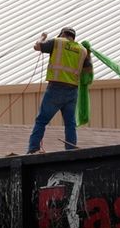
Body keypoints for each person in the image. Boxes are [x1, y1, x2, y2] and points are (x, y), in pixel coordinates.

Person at [27, 26, 93, 154]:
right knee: (70, 123)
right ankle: (71, 150)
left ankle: (33, 149)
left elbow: (37, 47)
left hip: (55, 89)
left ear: (62, 34)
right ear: (73, 37)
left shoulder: (57, 42)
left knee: (41, 120)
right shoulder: (82, 50)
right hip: (72, 91)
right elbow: (87, 71)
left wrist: (43, 37)